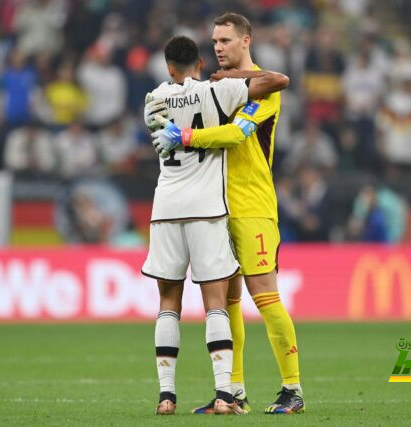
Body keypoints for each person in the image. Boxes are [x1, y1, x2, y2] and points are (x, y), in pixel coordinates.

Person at [150, 13, 305, 414]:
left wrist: (186, 136)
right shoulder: (215, 88)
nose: (218, 47)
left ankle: (293, 389)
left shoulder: (261, 89)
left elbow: (237, 134)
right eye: (214, 41)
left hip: (252, 205)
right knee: (228, 302)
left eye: (225, 40)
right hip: (214, 207)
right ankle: (232, 392)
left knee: (266, 296)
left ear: (245, 40)